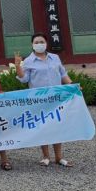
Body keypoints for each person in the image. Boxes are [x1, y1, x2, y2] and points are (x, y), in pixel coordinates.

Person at [15, 33, 74, 167]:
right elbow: (24, 79)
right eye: (36, 42)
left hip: (56, 99)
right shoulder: (29, 61)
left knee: (57, 125)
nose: (39, 44)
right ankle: (46, 156)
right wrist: (18, 66)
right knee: (42, 126)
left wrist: (72, 86)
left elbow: (63, 74)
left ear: (46, 43)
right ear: (32, 45)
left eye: (41, 41)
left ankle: (59, 157)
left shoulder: (55, 58)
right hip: (39, 100)